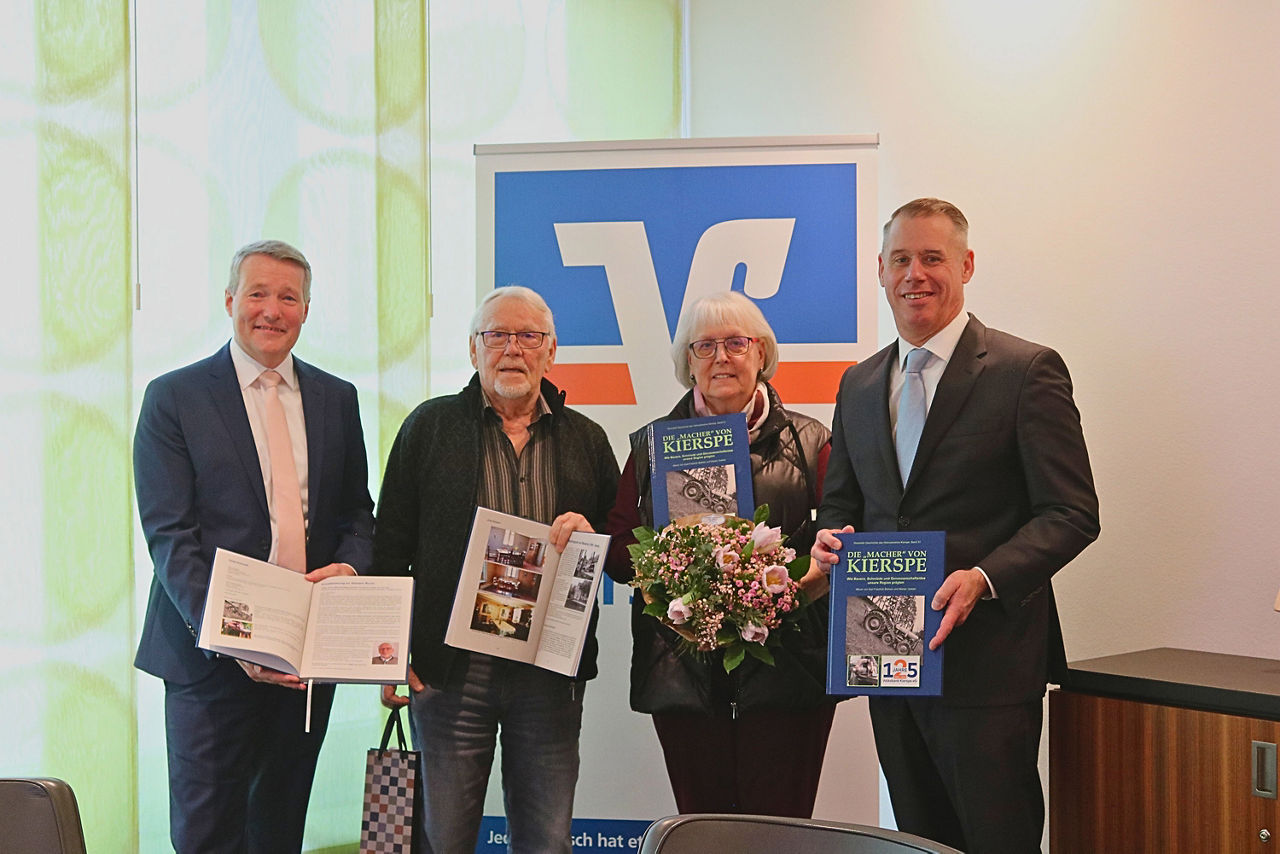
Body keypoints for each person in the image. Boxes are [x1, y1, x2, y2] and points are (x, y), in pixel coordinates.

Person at [812, 199, 1100, 853]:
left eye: (933, 258)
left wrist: (985, 576)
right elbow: (842, 507)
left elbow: (1072, 512)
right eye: (901, 259)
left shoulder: (1026, 371)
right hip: (886, 663)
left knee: (998, 840)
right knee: (918, 842)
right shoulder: (858, 384)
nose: (916, 274)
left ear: (966, 265)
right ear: (880, 272)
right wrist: (829, 539)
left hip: (987, 669)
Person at [133, 240, 375, 853]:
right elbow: (170, 535)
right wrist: (230, 636)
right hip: (206, 659)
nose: (272, 309)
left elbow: (357, 513)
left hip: (305, 659)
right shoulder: (174, 397)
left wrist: (350, 566)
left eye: (288, 297)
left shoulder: (335, 398)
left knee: (279, 827)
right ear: (230, 300)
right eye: (258, 293)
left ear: (306, 309)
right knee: (209, 833)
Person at [373, 286, 619, 854]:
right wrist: (386, 654)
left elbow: (624, 546)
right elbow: (389, 548)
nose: (513, 348)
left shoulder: (587, 439)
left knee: (547, 839)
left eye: (528, 336)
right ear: (472, 349)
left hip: (549, 675)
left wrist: (592, 537)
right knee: (444, 838)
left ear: (550, 351)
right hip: (450, 671)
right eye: (497, 335)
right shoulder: (428, 427)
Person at [603, 290, 836, 818]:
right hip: (683, 676)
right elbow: (620, 554)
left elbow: (845, 539)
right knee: (702, 827)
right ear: (688, 362)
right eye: (704, 346)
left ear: (762, 354)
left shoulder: (812, 440)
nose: (721, 358)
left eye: (736, 342)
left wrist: (789, 585)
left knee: (780, 830)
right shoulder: (650, 446)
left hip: (789, 671)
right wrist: (668, 573)